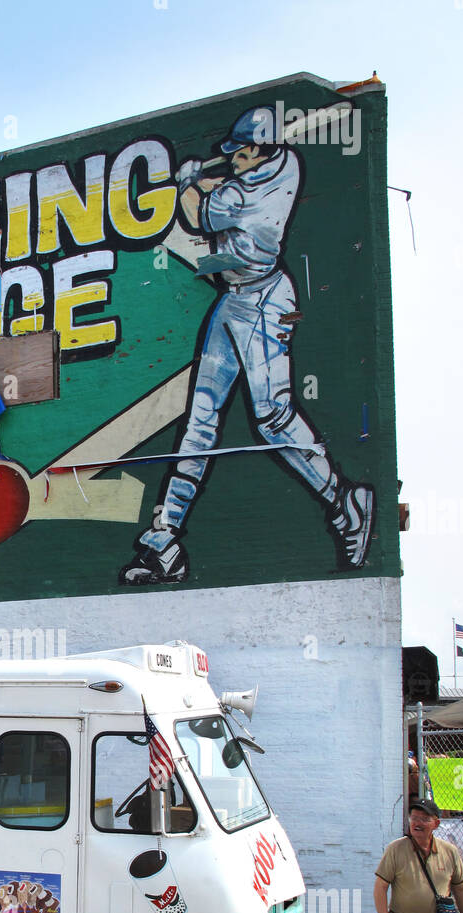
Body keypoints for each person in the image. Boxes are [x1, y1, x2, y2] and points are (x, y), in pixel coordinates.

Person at [119, 105, 375, 586]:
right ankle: (165, 538)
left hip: (262, 303)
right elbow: (228, 190)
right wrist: (205, 181)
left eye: (239, 152)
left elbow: (198, 215)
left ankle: (346, 503)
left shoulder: (243, 195)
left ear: (259, 151)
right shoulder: (288, 165)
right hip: (235, 300)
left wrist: (187, 183)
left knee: (273, 419)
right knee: (199, 423)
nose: (232, 158)